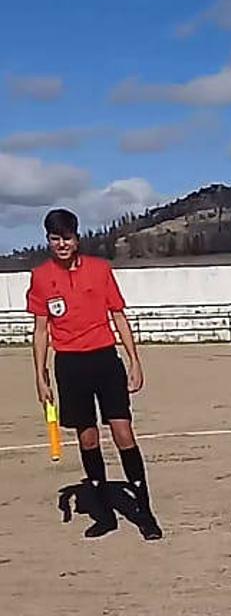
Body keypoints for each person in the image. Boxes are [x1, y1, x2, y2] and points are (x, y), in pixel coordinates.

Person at [26, 209, 162, 540]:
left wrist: (134, 360)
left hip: (104, 359)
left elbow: (118, 315)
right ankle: (104, 514)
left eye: (67, 237)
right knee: (87, 438)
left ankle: (144, 511)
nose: (62, 244)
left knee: (122, 432)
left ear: (77, 238)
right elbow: (41, 330)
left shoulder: (100, 270)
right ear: (48, 240)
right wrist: (40, 376)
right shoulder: (41, 277)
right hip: (70, 365)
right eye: (55, 238)